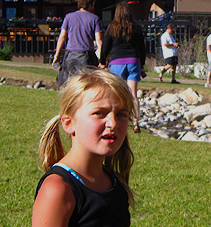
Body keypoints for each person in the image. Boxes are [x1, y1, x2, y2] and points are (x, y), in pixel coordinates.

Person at [32, 70, 136, 227]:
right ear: (69, 123)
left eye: (121, 114)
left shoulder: (114, 182)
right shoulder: (57, 189)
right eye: (100, 113)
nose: (113, 123)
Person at [99, 2, 146, 133]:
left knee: (116, 93)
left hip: (117, 62)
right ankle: (136, 123)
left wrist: (102, 61)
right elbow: (142, 47)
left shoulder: (112, 27)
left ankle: (115, 119)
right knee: (133, 94)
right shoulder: (135, 27)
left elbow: (105, 46)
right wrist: (141, 63)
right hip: (133, 61)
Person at [53, 0, 104, 86]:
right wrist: (102, 58)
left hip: (70, 55)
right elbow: (99, 40)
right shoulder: (94, 19)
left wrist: (56, 56)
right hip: (86, 55)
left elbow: (62, 37)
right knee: (86, 84)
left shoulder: (69, 17)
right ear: (91, 5)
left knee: (69, 83)